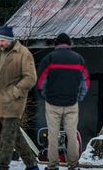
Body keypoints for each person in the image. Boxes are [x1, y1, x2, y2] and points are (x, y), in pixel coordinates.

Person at [0, 26, 38, 170]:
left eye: (3, 41)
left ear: (10, 40)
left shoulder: (23, 53)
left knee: (7, 136)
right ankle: (32, 164)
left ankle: (2, 165)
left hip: (14, 101)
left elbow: (31, 77)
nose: (0, 44)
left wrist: (16, 91)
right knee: (14, 135)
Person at [37, 33, 89, 170]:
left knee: (53, 135)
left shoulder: (49, 59)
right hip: (72, 103)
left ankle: (53, 165)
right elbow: (85, 82)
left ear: (56, 44)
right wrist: (79, 97)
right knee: (72, 134)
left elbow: (41, 81)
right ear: (69, 44)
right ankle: (73, 164)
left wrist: (45, 96)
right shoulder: (79, 59)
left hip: (53, 103)